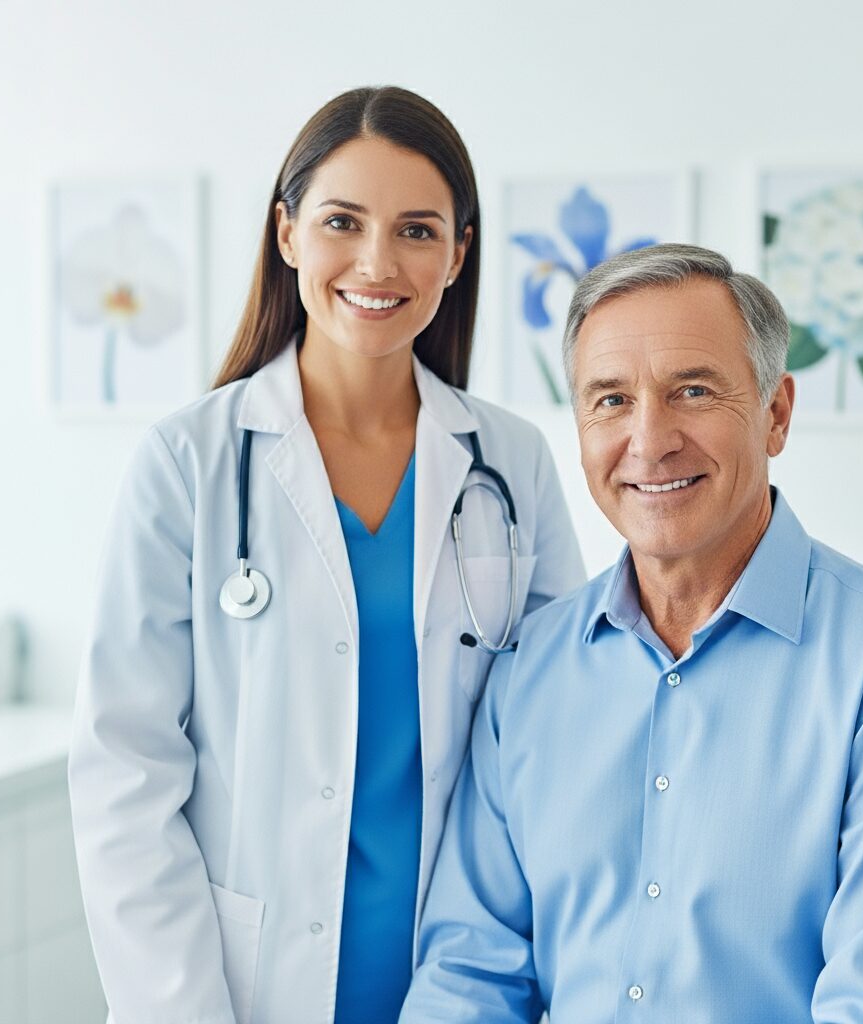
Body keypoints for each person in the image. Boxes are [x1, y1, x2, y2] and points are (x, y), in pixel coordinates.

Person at [68, 86, 584, 1024]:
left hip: (460, 979)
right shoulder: (192, 461)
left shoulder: (511, 464)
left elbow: (554, 742)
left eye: (419, 231)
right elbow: (125, 769)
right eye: (343, 221)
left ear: (459, 253)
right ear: (288, 232)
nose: (378, 262)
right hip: (237, 983)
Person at [399, 243, 863, 1024]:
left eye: (691, 390)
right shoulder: (527, 668)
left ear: (775, 413)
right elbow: (469, 977)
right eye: (610, 400)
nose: (650, 441)